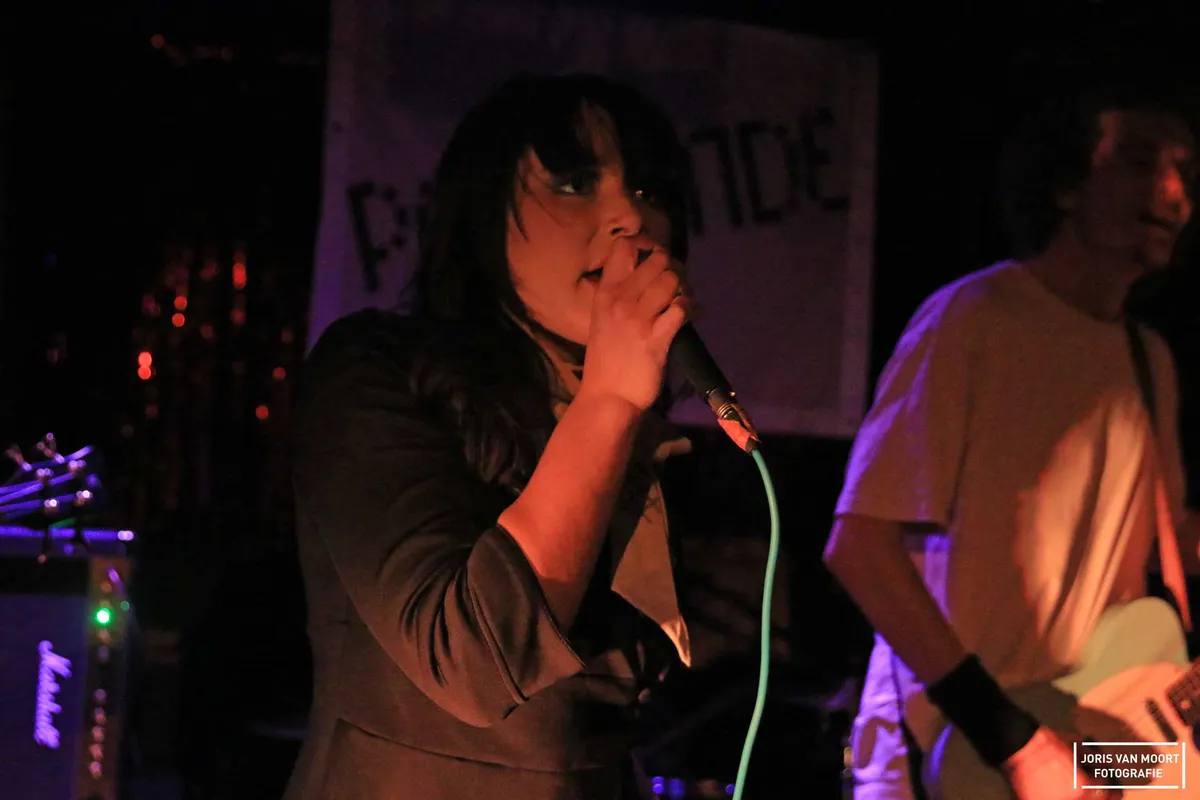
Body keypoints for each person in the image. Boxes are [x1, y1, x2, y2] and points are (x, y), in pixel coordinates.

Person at [283, 72, 701, 799]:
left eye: (648, 191)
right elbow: (471, 660)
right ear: (482, 210)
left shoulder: (631, 419)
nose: (629, 219)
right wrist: (607, 401)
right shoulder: (374, 369)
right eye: (574, 183)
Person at [823, 71, 1198, 800]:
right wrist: (1015, 743)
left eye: (1187, 172)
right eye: (1140, 161)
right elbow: (859, 548)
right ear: (1065, 184)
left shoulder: (1147, 360)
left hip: (1091, 750)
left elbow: (1167, 553)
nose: (1175, 193)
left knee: (1180, 779)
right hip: (963, 747)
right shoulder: (973, 320)